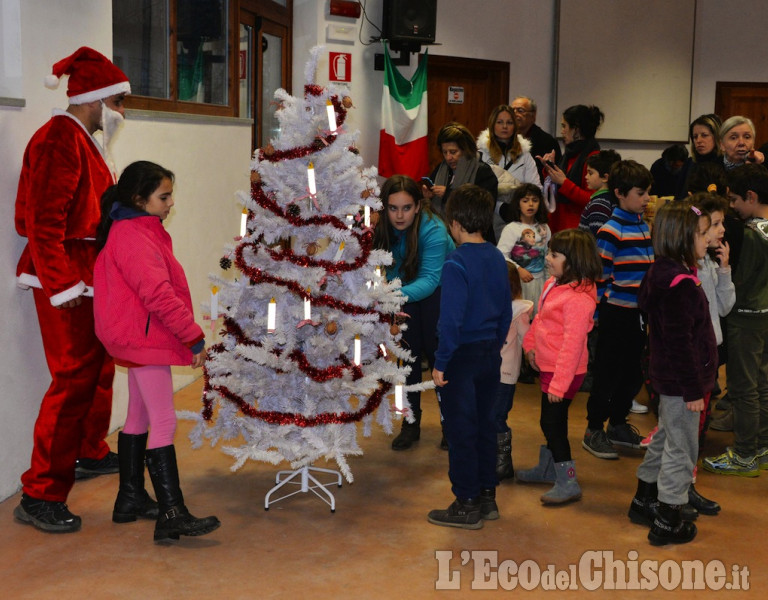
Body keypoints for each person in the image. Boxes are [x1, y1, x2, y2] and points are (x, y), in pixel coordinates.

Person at [12, 47, 131, 534]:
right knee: (73, 380)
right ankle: (40, 491)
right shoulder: (60, 138)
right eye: (120, 101)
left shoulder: (85, 139)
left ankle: (89, 449)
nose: (123, 111)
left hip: (88, 273)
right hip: (62, 278)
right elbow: (43, 221)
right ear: (96, 99)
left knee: (99, 368)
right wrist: (63, 288)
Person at [90, 161, 220, 543]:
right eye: (163, 197)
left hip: (134, 337)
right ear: (138, 198)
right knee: (165, 421)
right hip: (144, 339)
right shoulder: (133, 235)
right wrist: (193, 336)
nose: (170, 203)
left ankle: (129, 498)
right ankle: (172, 512)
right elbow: (158, 295)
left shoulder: (135, 228)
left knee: (139, 415)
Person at [628, 201, 717, 546]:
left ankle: (643, 500)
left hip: (669, 381)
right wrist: (694, 390)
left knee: (666, 436)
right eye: (701, 233)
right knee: (682, 448)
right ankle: (668, 519)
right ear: (681, 238)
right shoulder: (678, 284)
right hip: (683, 385)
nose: (707, 239)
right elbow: (680, 344)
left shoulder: (661, 272)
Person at [428, 184, 512, 530]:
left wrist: (441, 361)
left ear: (456, 222)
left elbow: (451, 320)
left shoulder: (456, 262)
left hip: (461, 357)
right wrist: (495, 342)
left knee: (461, 430)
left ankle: (465, 502)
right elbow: (505, 309)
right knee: (486, 426)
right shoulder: (495, 256)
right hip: (491, 353)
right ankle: (486, 495)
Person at [517, 229, 602, 505]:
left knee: (552, 423)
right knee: (551, 421)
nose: (548, 257)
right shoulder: (554, 284)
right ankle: (548, 468)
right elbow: (540, 320)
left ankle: (568, 480)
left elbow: (573, 346)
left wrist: (559, 384)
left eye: (554, 254)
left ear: (574, 260)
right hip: (550, 366)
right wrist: (529, 346)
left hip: (564, 372)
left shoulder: (578, 298)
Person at [373, 175, 455, 451]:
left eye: (406, 207)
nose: (399, 215)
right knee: (407, 362)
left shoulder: (434, 230)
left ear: (418, 206)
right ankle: (410, 424)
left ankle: (451, 426)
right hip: (405, 292)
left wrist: (385, 296)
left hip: (439, 294)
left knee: (439, 362)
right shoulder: (381, 227)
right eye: (393, 207)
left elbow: (431, 281)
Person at [583, 161, 654, 460]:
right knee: (607, 373)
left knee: (632, 373)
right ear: (620, 194)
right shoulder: (611, 231)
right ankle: (594, 428)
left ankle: (618, 422)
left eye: (649, 193)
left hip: (639, 315)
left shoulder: (643, 225)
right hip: (616, 313)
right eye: (641, 193)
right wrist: (597, 315)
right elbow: (600, 275)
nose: (647, 199)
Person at [703, 164, 768, 476]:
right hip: (766, 316)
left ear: (751, 196)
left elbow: (742, 281)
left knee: (744, 388)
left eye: (734, 199)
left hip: (746, 318)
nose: (731, 206)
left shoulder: (751, 235)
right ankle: (762, 446)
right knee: (764, 384)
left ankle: (744, 455)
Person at [477, 104, 542, 239]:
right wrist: (500, 207)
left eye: (509, 122)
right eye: (500, 122)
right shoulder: (482, 155)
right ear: (492, 125)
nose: (505, 127)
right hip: (487, 218)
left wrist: (518, 208)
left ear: (515, 126)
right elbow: (477, 191)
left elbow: (535, 188)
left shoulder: (525, 156)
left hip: (519, 216)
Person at [424, 122, 498, 241]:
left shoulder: (483, 172)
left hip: (476, 240)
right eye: (445, 152)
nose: (448, 157)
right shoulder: (440, 169)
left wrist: (448, 194)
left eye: (453, 152)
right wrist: (428, 197)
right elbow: (430, 209)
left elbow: (484, 210)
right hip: (442, 237)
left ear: (466, 150)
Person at [494, 263, 533, 481]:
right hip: (487, 372)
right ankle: (490, 456)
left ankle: (503, 461)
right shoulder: (486, 306)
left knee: (497, 416)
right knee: (487, 414)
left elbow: (527, 339)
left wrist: (534, 355)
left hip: (505, 374)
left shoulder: (518, 310)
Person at [539, 105, 605, 233]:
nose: (562, 131)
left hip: (576, 231)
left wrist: (564, 182)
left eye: (564, 126)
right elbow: (554, 190)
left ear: (576, 129)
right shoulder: (569, 153)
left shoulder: (593, 158)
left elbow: (592, 200)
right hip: (558, 224)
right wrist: (549, 169)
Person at [496, 184, 551, 318]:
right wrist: (519, 269)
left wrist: (550, 281)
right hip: (519, 285)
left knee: (538, 319)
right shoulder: (512, 228)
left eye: (535, 200)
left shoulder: (544, 228)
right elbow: (501, 255)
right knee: (520, 319)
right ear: (518, 204)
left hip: (540, 282)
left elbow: (548, 255)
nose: (530, 204)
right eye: (525, 201)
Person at [510, 96, 562, 183]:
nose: (515, 114)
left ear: (533, 115)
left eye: (520, 110)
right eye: (512, 111)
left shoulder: (547, 141)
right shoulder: (506, 138)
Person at [578, 150, 622, 237]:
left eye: (590, 173)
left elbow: (597, 237)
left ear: (605, 177)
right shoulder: (613, 198)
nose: (586, 177)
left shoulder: (599, 204)